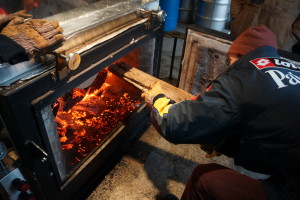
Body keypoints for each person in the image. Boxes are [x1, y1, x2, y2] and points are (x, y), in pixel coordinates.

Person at [142, 25, 300, 200]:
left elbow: (174, 124)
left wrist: (157, 99)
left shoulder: (242, 79)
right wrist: (226, 144)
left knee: (204, 178)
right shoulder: (292, 69)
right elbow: (277, 141)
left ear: (239, 55)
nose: (228, 65)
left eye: (229, 60)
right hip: (293, 168)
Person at [230, 0, 300, 53]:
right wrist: (235, 18)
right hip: (243, 29)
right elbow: (237, 1)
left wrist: (294, 35)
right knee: (231, 64)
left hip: (279, 39)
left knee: (268, 69)